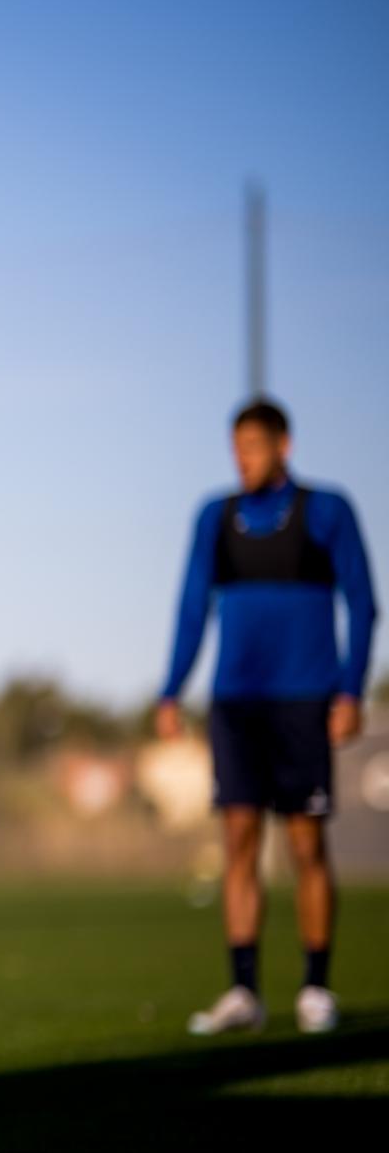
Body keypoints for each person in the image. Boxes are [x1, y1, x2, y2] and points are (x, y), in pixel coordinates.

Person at [158, 397, 376, 1035]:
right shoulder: (216, 517)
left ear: (284, 445)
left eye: (252, 447)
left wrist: (349, 691)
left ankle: (315, 987)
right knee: (238, 839)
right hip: (236, 704)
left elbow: (363, 602)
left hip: (304, 701)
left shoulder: (326, 511)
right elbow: (192, 606)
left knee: (306, 842)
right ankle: (244, 991)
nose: (242, 459)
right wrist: (171, 690)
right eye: (236, 448)